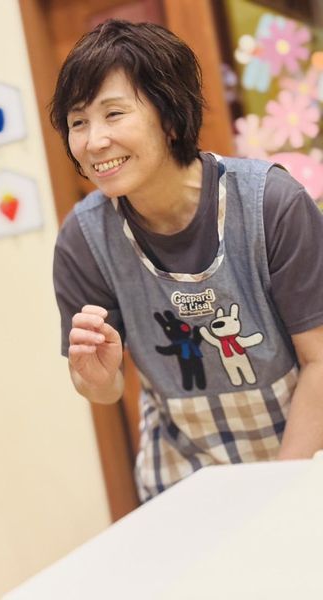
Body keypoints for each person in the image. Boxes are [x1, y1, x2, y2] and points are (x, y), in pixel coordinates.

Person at [50, 19, 323, 501]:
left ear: (171, 118)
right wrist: (95, 378)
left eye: (114, 114)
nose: (94, 141)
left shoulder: (271, 204)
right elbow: (103, 390)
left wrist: (284, 494)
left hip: (301, 450)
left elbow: (320, 361)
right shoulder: (83, 239)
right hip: (184, 472)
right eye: (78, 122)